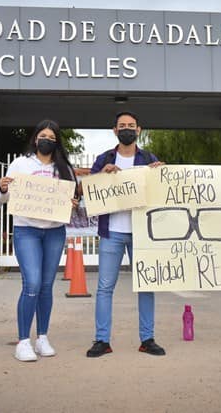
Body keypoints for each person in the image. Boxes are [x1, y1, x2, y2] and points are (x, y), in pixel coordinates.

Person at [0, 120, 79, 362]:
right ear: (35, 139)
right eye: (43, 135)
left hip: (54, 232)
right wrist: (2, 189)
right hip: (27, 230)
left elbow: (71, 203)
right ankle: (23, 341)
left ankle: (42, 337)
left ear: (57, 142)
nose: (47, 140)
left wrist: (72, 205)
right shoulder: (20, 164)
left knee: (46, 285)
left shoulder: (64, 168)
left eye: (52, 137)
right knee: (31, 283)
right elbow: (3, 199)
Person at [86, 111, 165, 358]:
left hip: (142, 234)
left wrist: (161, 174)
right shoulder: (104, 158)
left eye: (131, 125)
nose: (127, 129)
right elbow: (89, 191)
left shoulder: (149, 158)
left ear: (139, 130)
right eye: (123, 126)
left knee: (146, 286)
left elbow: (163, 195)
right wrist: (100, 176)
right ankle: (102, 340)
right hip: (112, 232)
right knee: (104, 287)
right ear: (115, 130)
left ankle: (147, 338)